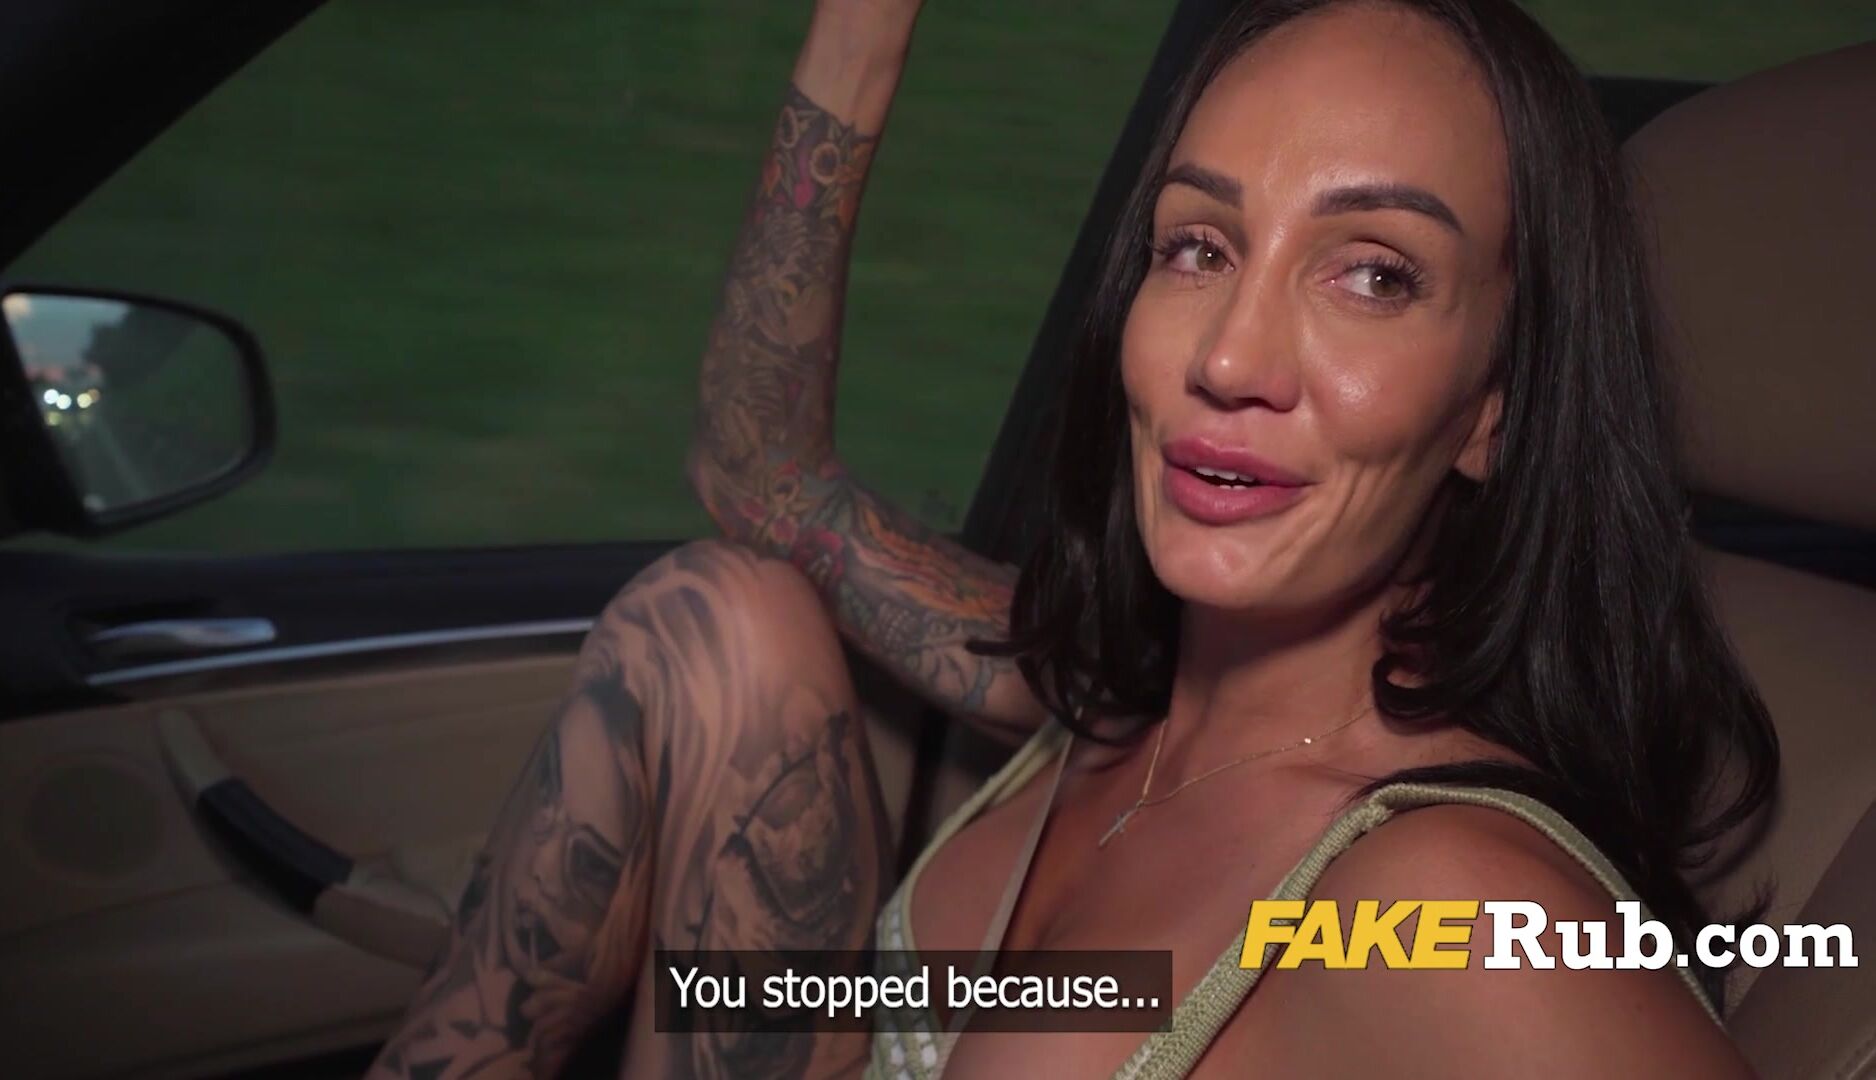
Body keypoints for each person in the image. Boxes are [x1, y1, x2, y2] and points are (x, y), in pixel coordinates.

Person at [366, 0, 1780, 1075]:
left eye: (1372, 275)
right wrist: (862, 27)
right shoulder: (1097, 694)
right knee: (722, 620)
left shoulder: (1453, 911)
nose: (1230, 357)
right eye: (1198, 247)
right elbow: (762, 474)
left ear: (1496, 406)